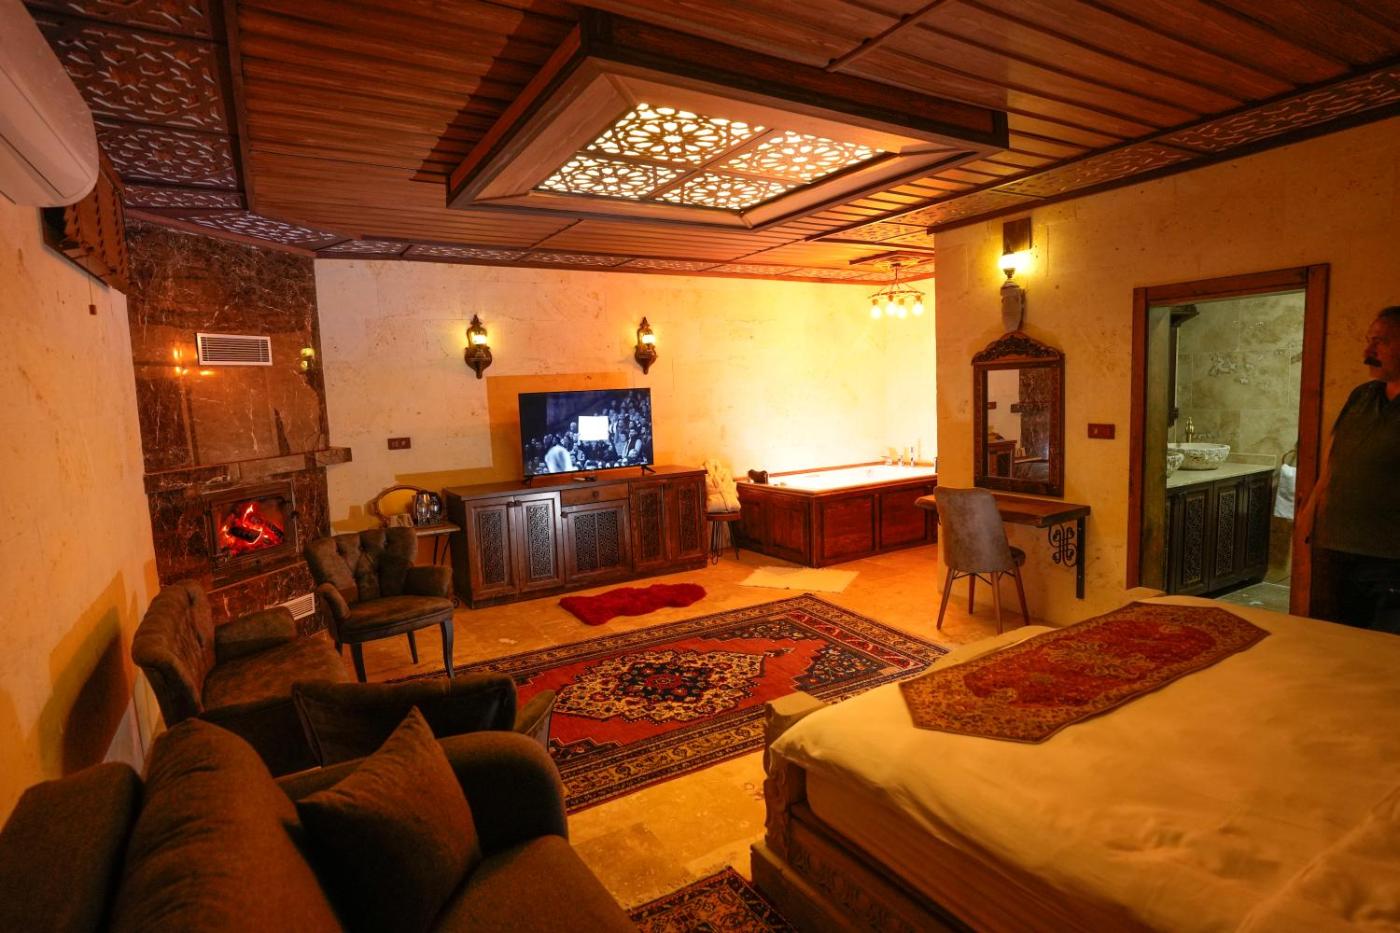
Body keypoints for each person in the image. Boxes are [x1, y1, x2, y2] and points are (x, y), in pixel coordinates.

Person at [1302, 305, 1400, 631]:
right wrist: (1308, 516)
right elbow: (1333, 461)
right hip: (1334, 548)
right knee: (1329, 638)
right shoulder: (1361, 396)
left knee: (1381, 650)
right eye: (1369, 340)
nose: (1368, 351)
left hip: (1389, 558)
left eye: (1381, 341)